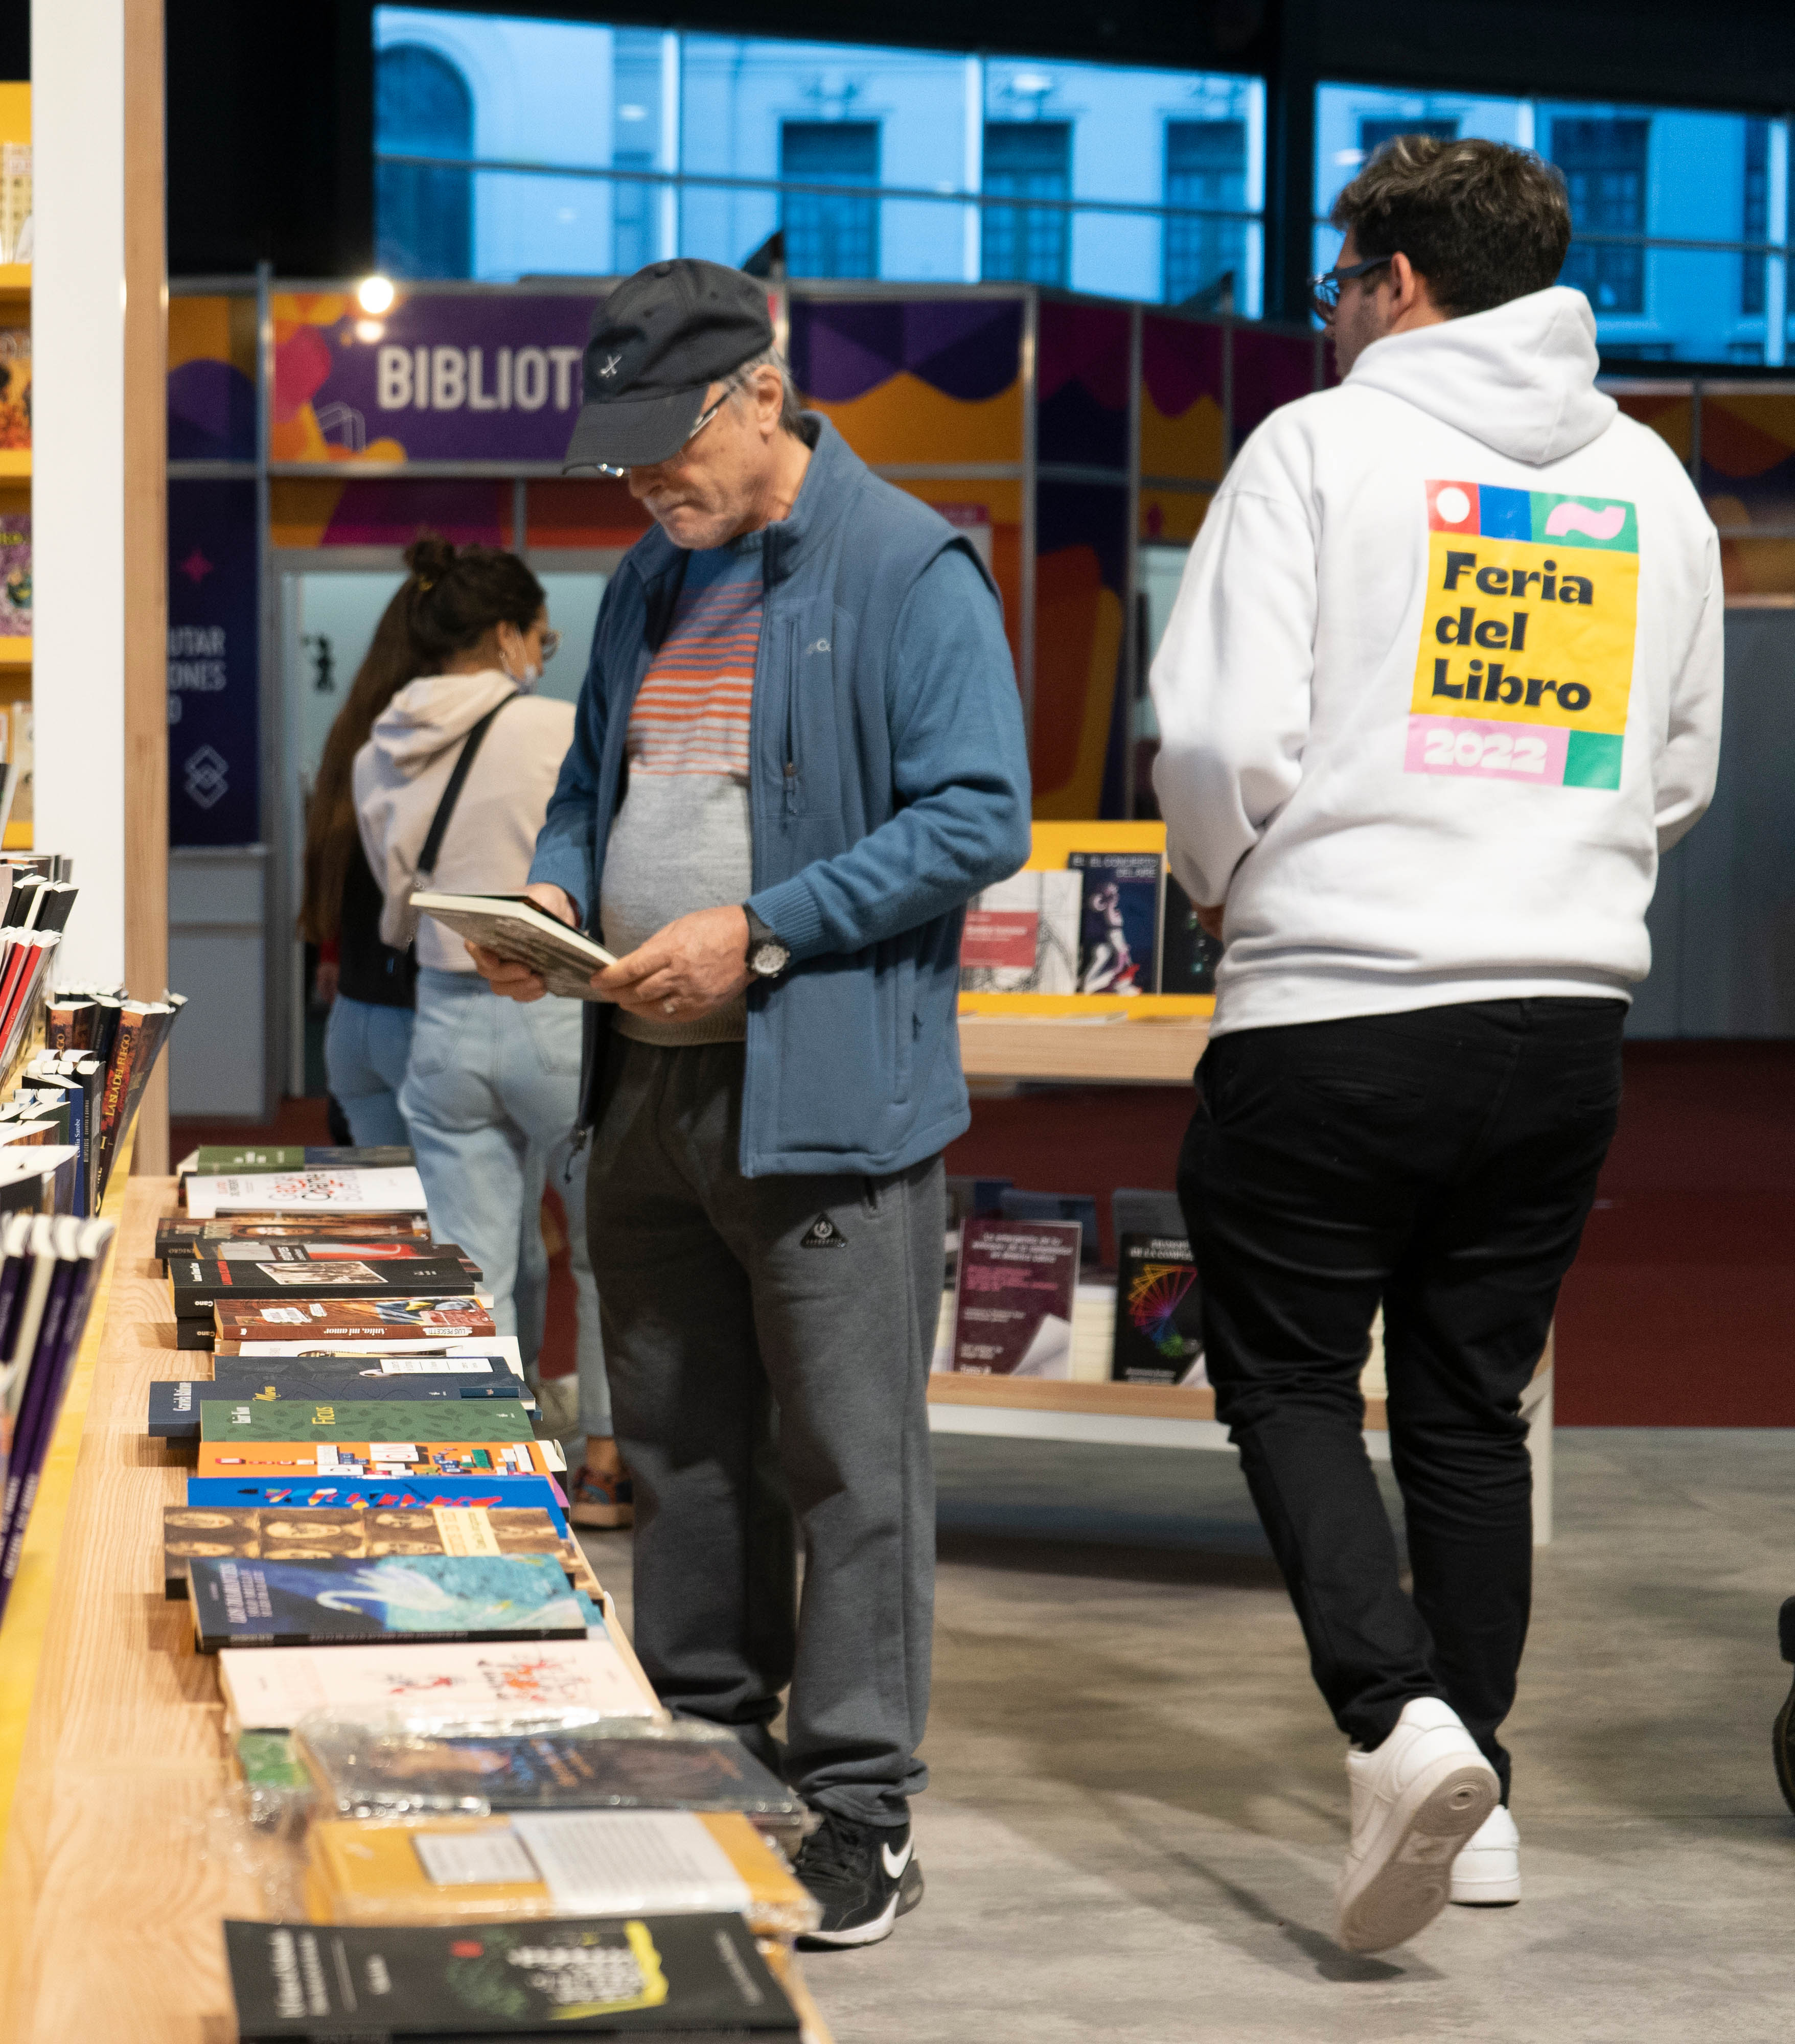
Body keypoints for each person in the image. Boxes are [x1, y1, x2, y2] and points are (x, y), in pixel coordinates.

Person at [1150, 135, 1721, 1955]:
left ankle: (1393, 1720)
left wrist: (1240, 889)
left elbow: (1219, 733)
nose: (1325, 318)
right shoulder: (1650, 484)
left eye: (1334, 282)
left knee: (1290, 1376)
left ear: (1392, 276)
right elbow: (1680, 766)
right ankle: (1476, 1791)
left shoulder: (1318, 449)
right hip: (1561, 1015)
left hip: (1333, 995)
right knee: (1473, 1409)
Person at [468, 258, 1030, 1947]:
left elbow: (977, 818)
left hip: (826, 1099)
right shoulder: (648, 577)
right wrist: (560, 902)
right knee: (681, 1444)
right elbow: (588, 791)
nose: (645, 486)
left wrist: (762, 932)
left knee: (851, 1463)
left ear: (760, 396)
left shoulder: (909, 566)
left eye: (668, 450)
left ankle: (861, 1806)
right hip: (642, 1089)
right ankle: (710, 1737)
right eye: (623, 460)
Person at [349, 536, 617, 1519]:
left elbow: (393, 907)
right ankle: (605, 1469)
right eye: (539, 636)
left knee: (470, 1265)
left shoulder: (381, 743)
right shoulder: (555, 730)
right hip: (558, 1012)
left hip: (444, 1021)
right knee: (604, 1254)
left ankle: (487, 1479)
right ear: (507, 636)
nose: (543, 654)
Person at [297, 567, 433, 1151]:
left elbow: (337, 850)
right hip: (420, 1002)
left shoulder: (353, 729)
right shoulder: (432, 738)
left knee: (381, 1207)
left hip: (356, 1001)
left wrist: (329, 946)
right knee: (458, 1218)